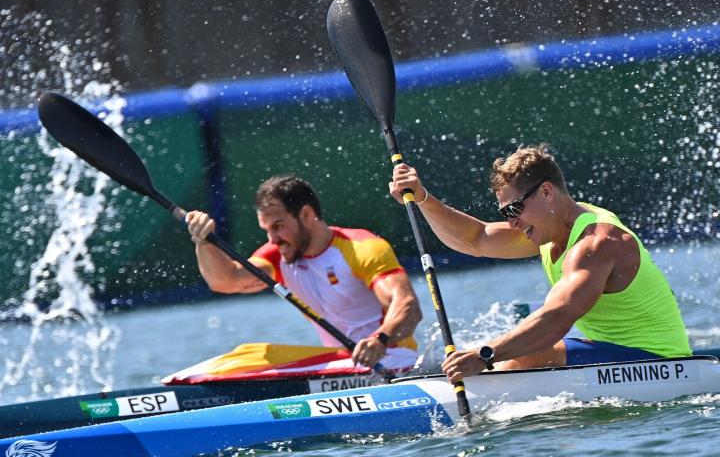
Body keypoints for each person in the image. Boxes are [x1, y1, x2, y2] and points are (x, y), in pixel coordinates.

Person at [389, 143, 691, 382]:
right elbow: (475, 239)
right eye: (506, 214)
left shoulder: (597, 242)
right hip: (610, 354)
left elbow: (555, 321)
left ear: (546, 191)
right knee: (516, 349)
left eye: (514, 210)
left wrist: (484, 356)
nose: (512, 222)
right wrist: (423, 199)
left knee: (527, 354)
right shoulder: (550, 229)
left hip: (660, 364)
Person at [186, 175, 422, 369]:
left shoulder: (361, 248)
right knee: (247, 356)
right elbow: (225, 281)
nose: (273, 239)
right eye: (266, 230)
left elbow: (408, 307)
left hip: (392, 359)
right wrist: (204, 243)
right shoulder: (278, 256)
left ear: (307, 215)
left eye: (278, 226)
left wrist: (379, 339)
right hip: (340, 363)